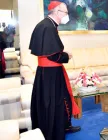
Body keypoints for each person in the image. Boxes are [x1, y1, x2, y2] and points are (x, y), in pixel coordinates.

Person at [29, 1, 81, 140]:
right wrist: (66, 55)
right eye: (65, 13)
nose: (67, 16)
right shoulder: (48, 27)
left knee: (63, 99)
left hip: (50, 72)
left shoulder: (48, 24)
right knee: (55, 103)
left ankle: (65, 125)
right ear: (57, 12)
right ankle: (54, 132)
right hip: (50, 75)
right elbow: (53, 55)